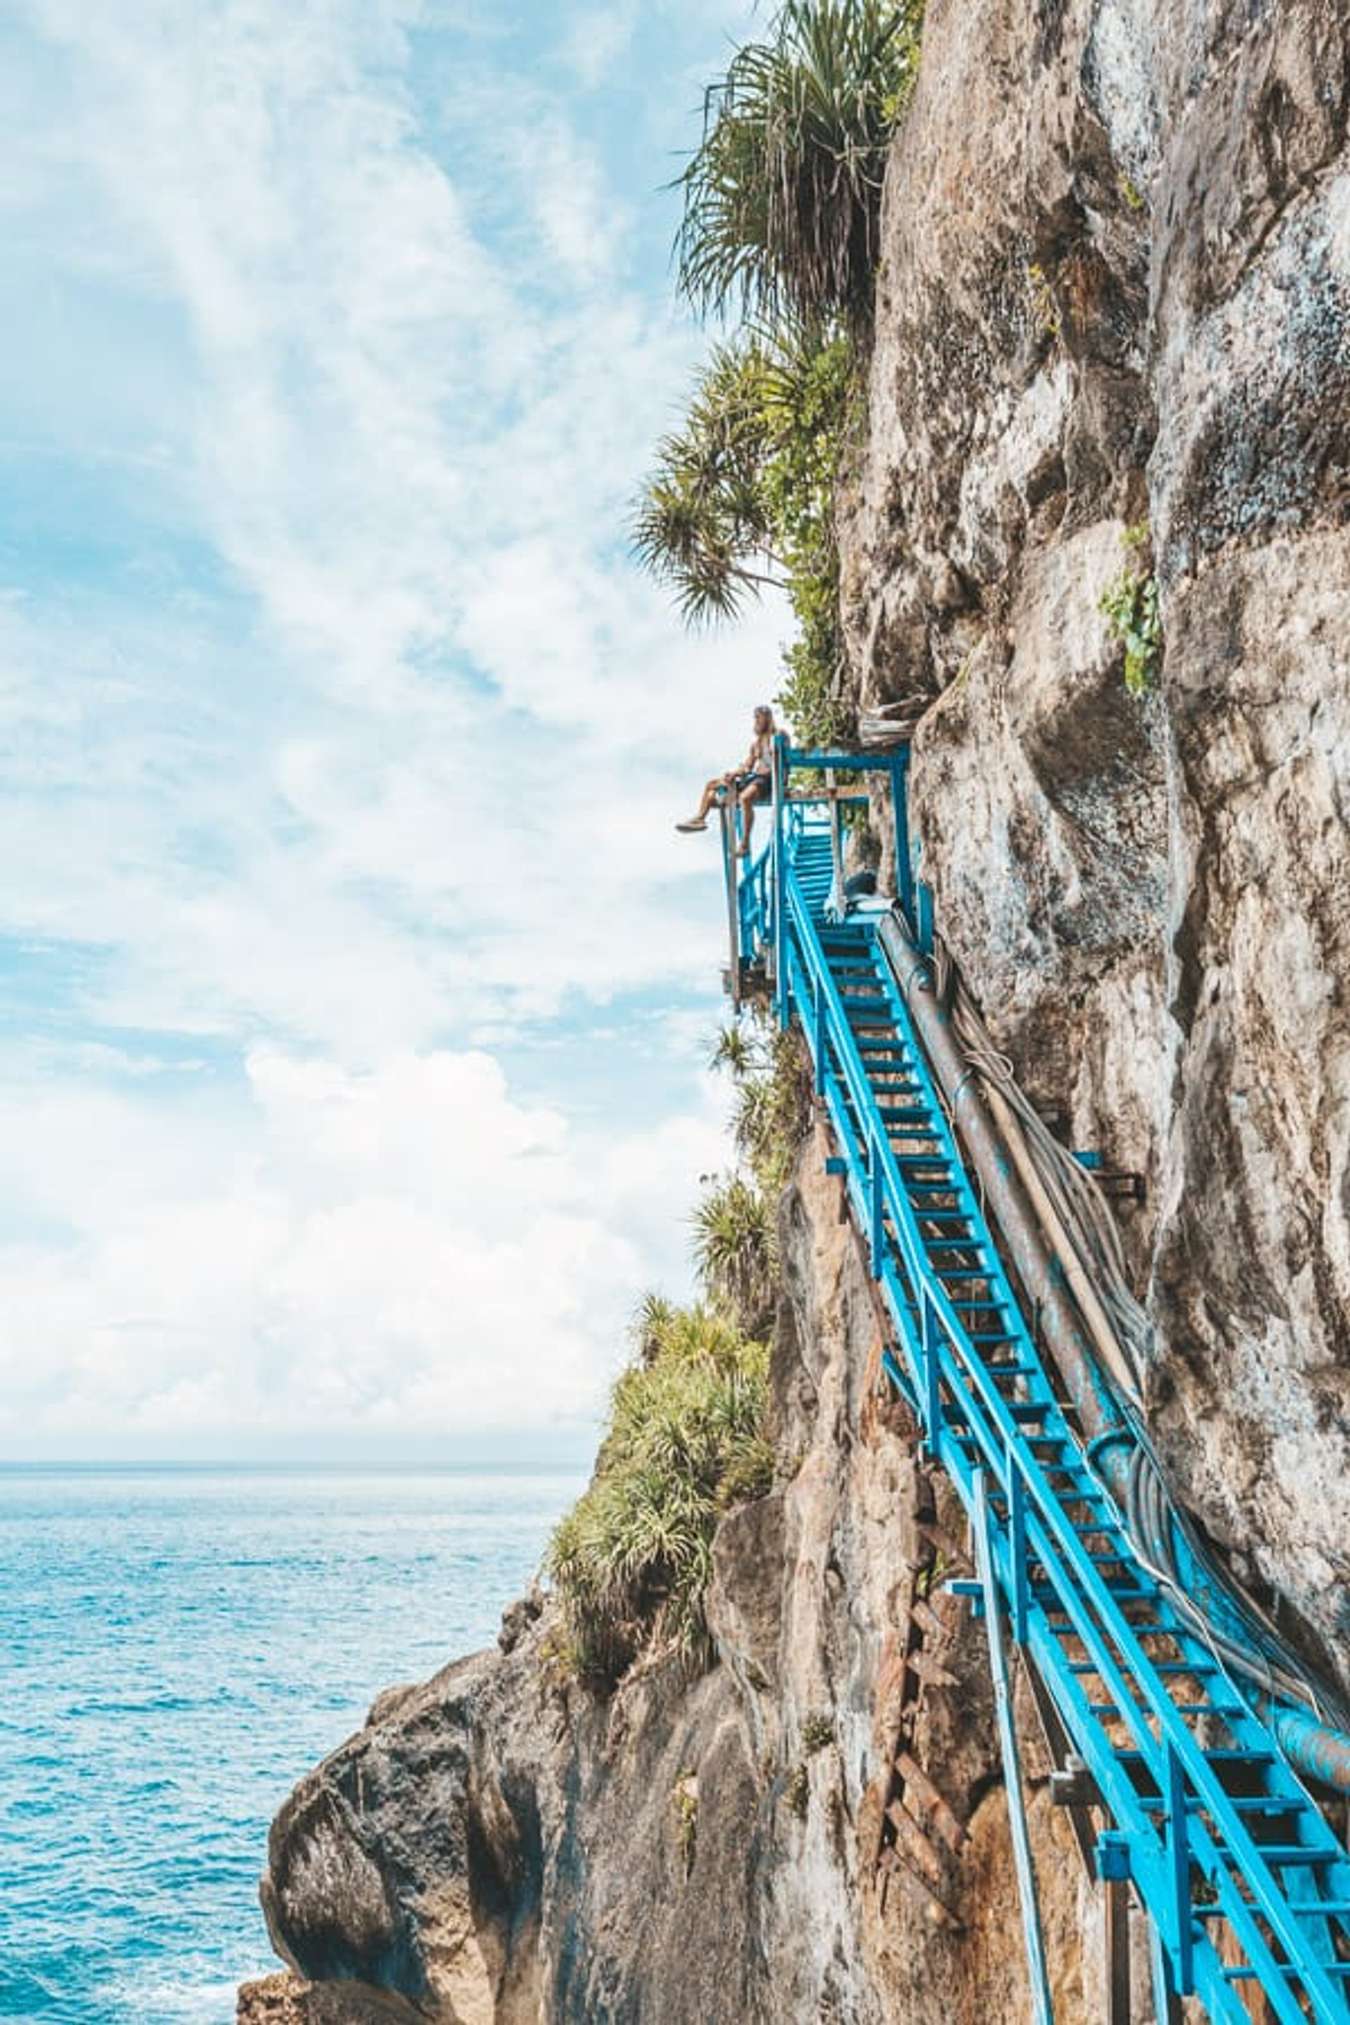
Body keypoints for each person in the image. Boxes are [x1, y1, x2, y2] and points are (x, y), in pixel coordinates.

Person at [676, 706, 776, 856]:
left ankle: (745, 844)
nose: (756, 720)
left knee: (745, 798)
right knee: (712, 786)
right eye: (755, 718)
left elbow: (781, 762)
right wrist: (734, 774)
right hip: (754, 779)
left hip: (769, 780)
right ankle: (700, 819)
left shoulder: (778, 737)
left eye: (759, 717)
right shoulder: (755, 745)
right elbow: (747, 767)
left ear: (767, 718)